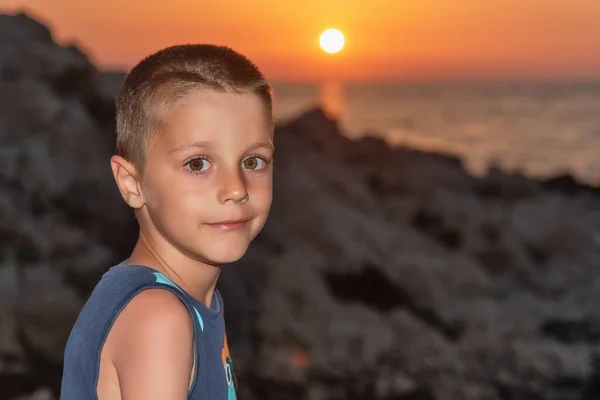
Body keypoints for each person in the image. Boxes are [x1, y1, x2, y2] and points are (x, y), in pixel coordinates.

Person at [60, 44, 275, 400]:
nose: (236, 189)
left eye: (253, 161)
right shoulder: (158, 319)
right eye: (197, 164)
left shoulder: (187, 302)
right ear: (132, 183)